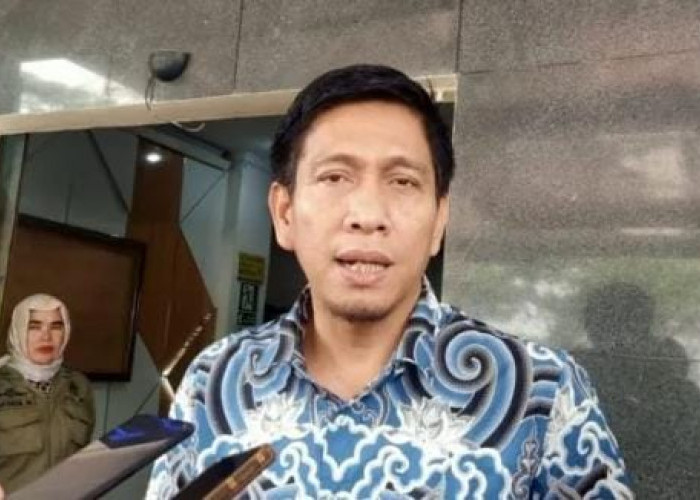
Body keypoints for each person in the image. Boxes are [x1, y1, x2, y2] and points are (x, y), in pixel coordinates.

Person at [147, 65, 631, 499]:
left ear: (439, 219)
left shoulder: (542, 390)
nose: (367, 214)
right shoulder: (212, 381)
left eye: (402, 182)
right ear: (285, 213)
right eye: (335, 177)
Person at [0, 294, 94, 494]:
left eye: (56, 327)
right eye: (34, 327)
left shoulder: (78, 386)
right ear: (18, 329)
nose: (46, 337)